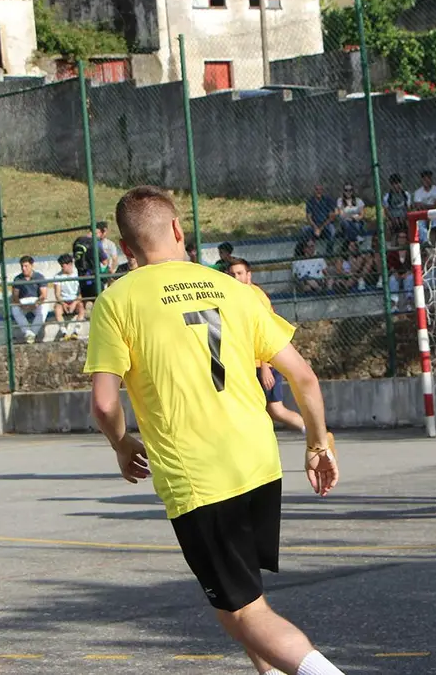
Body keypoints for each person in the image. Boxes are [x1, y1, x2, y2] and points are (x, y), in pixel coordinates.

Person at [84, 186, 345, 675]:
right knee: (238, 604)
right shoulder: (233, 289)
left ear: (124, 249)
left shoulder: (117, 300)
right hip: (259, 465)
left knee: (247, 611)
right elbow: (304, 376)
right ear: (179, 229)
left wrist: (122, 444)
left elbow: (103, 403)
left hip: (202, 479)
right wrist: (318, 443)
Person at [227, 258, 309, 437]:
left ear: (248, 276)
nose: (235, 277)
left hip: (263, 363)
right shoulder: (231, 296)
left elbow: (265, 334)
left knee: (276, 410)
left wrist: (265, 367)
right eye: (232, 274)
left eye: (239, 273)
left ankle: (315, 433)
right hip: (245, 364)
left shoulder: (256, 296)